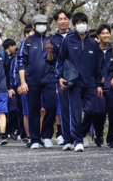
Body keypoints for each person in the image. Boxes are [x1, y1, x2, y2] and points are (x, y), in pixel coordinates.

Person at [56, 12, 103, 153]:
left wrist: (98, 84)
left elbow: (97, 65)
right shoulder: (68, 40)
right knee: (75, 113)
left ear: (87, 24)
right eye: (78, 23)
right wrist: (60, 77)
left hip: (90, 83)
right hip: (73, 83)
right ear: (74, 25)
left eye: (84, 22)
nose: (81, 25)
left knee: (92, 110)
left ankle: (80, 133)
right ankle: (77, 140)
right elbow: (60, 60)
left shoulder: (93, 43)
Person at [18, 14, 57, 149]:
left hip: (49, 79)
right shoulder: (27, 41)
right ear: (34, 26)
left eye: (44, 23)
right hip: (31, 79)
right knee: (33, 109)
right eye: (39, 23)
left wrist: (50, 52)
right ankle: (34, 138)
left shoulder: (50, 40)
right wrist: (23, 82)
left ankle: (46, 135)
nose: (42, 26)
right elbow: (21, 61)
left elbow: (53, 60)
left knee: (51, 106)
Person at [93, 24, 113, 148]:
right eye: (103, 33)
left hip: (112, 87)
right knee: (99, 113)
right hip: (99, 87)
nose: (105, 35)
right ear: (98, 36)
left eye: (107, 33)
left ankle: (111, 139)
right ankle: (98, 134)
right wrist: (97, 81)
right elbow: (91, 69)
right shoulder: (95, 51)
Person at [45, 9, 73, 148]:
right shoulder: (53, 39)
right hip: (60, 77)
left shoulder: (76, 36)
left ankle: (78, 135)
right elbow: (50, 61)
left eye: (65, 18)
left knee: (78, 108)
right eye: (60, 19)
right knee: (63, 109)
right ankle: (67, 138)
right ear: (56, 22)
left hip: (77, 77)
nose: (63, 21)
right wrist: (49, 51)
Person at [3, 38, 18, 140]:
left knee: (13, 109)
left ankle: (11, 129)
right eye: (13, 46)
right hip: (1, 86)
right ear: (10, 46)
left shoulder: (15, 58)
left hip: (12, 86)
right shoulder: (1, 56)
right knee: (2, 111)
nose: (14, 48)